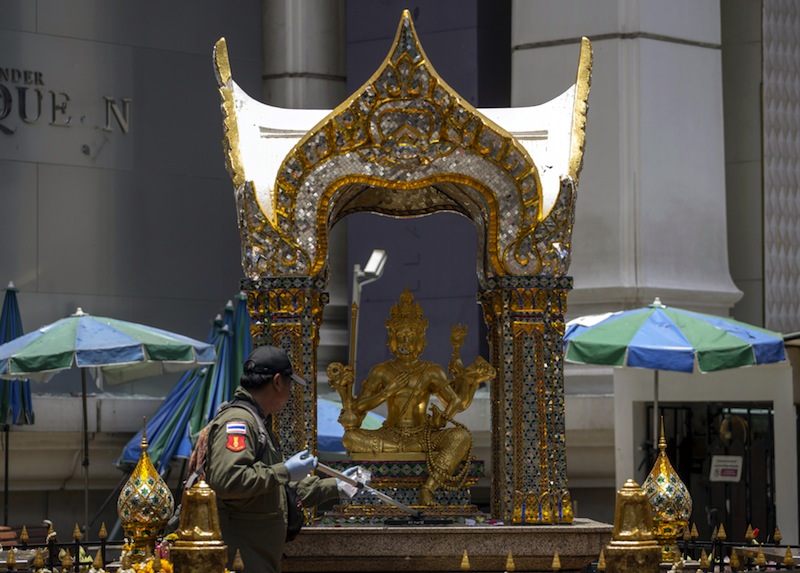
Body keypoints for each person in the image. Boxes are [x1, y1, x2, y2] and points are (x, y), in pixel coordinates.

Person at [204, 345, 358, 573]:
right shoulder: (239, 422)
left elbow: (280, 490)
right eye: (289, 384)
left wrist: (336, 486)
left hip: (256, 558)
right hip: (238, 560)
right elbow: (228, 480)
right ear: (277, 381)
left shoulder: (258, 423)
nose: (290, 392)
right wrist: (284, 471)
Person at [336, 288, 495, 505]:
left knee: (461, 437)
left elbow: (456, 401)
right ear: (392, 339)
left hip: (423, 436)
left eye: (411, 336)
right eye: (401, 336)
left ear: (420, 339)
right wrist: (387, 391)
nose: (406, 342)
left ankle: (429, 488)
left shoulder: (431, 371)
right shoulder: (381, 371)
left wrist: (444, 416)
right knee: (350, 438)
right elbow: (359, 408)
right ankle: (404, 454)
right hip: (390, 434)